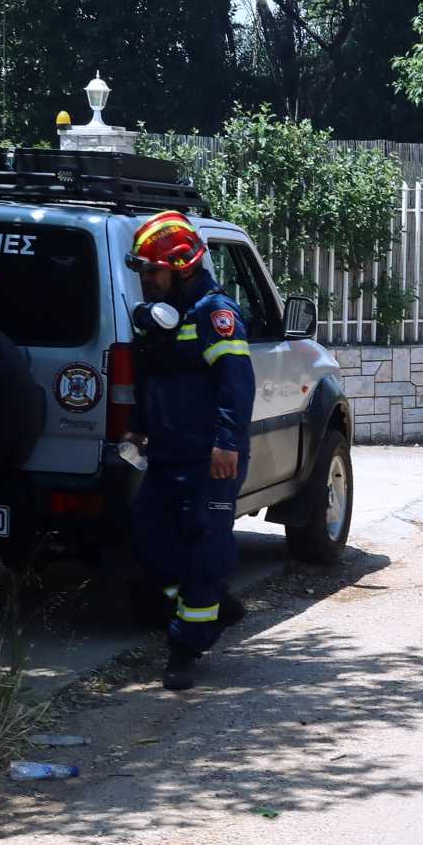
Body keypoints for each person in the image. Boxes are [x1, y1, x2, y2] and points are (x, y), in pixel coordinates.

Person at [125, 210, 255, 691]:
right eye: (142, 271)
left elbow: (236, 386)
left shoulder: (215, 315)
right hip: (166, 454)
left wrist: (227, 443)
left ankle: (184, 649)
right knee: (149, 538)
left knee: (206, 551)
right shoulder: (162, 318)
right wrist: (137, 429)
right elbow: (149, 378)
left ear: (181, 266)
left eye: (153, 271)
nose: (146, 280)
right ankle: (214, 607)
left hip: (211, 459)